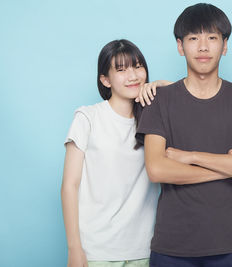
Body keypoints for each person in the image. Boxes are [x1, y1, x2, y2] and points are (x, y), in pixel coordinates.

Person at [136, 3, 232, 267]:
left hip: (231, 243)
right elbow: (157, 169)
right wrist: (230, 167)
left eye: (212, 38)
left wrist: (190, 157)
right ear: (180, 46)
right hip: (172, 244)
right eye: (193, 38)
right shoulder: (159, 100)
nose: (202, 47)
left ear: (224, 46)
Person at [61, 39, 171, 267]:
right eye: (121, 69)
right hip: (96, 251)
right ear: (105, 79)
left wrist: (164, 89)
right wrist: (74, 248)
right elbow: (69, 185)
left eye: (138, 66)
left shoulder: (154, 120)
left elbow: (195, 106)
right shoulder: (87, 117)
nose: (132, 76)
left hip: (145, 248)